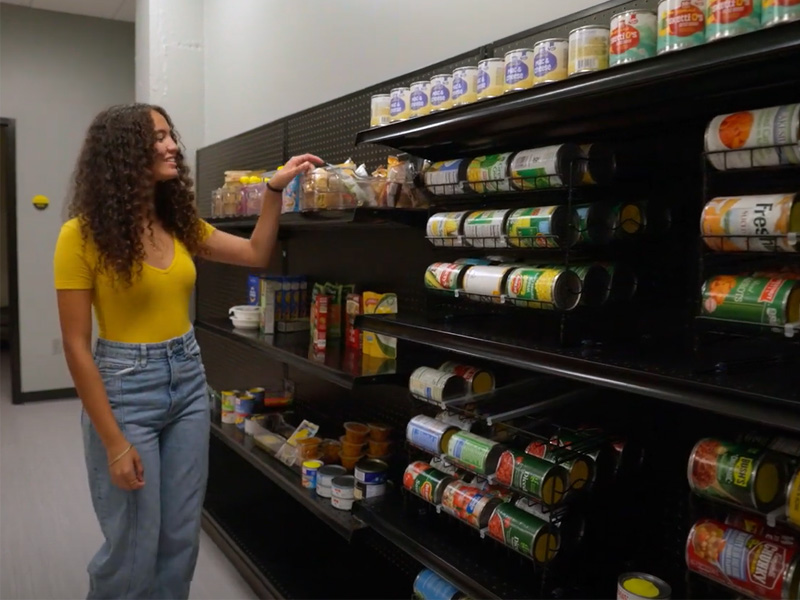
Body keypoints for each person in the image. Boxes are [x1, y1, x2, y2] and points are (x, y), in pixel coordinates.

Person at [53, 103, 320, 599]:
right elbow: (75, 345)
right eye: (157, 138)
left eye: (169, 135)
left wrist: (274, 190)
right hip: (125, 389)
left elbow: (256, 254)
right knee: (133, 546)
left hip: (189, 385)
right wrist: (114, 442)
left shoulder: (178, 225)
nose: (172, 145)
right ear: (122, 153)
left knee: (179, 538)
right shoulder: (80, 236)